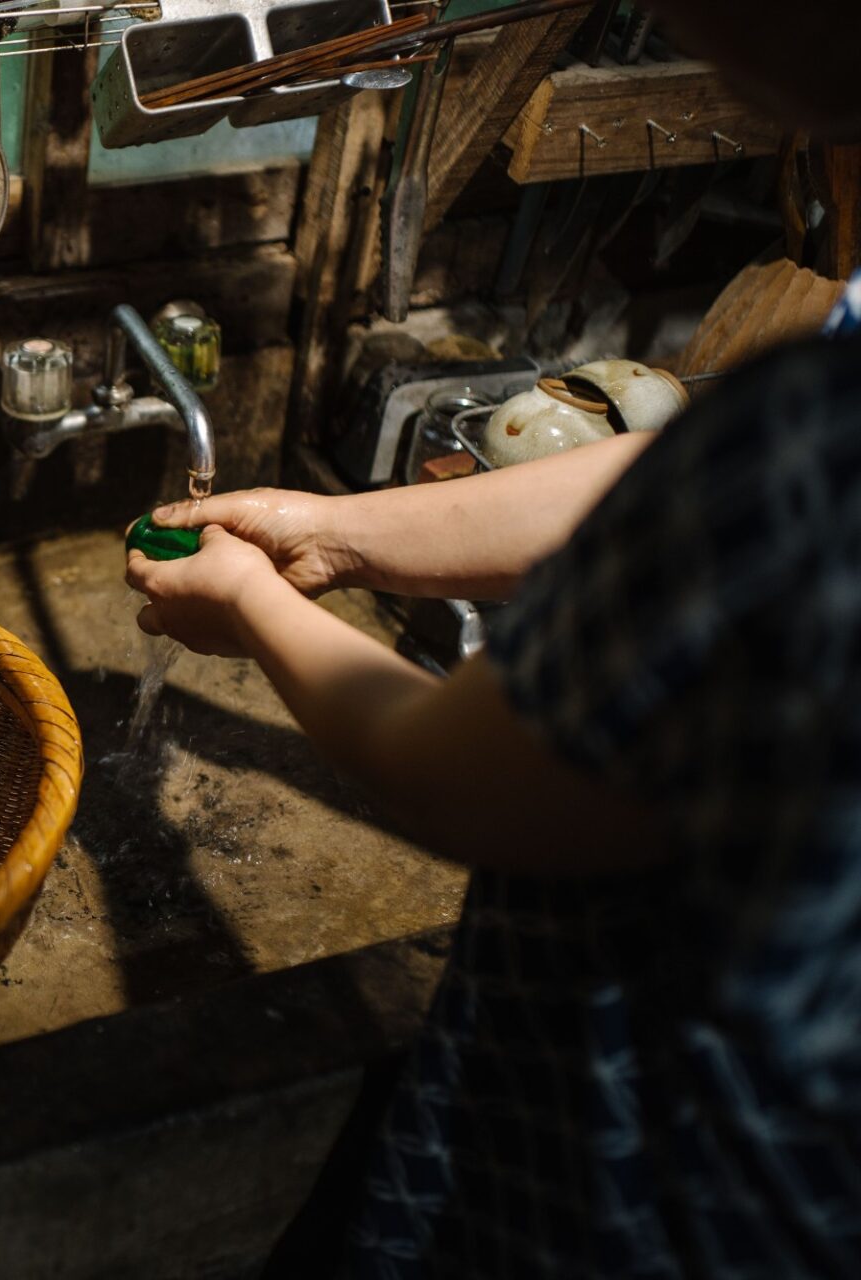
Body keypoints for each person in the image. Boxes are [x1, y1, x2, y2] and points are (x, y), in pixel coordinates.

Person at [126, 2, 861, 1273]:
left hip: (682, 1169)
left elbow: (458, 776)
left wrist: (254, 606)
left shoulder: (808, 441)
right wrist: (339, 532)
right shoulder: (811, 403)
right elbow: (671, 483)